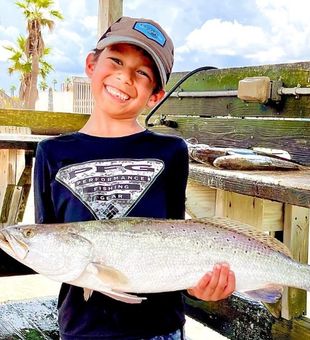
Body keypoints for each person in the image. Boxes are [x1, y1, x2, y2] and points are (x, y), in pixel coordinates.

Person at [34, 16, 235, 339]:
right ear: (91, 63)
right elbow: (48, 241)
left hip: (160, 329)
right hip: (82, 330)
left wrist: (201, 287)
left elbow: (176, 239)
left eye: (142, 72)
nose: (124, 77)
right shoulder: (51, 153)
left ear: (155, 95)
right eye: (115, 60)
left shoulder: (172, 151)